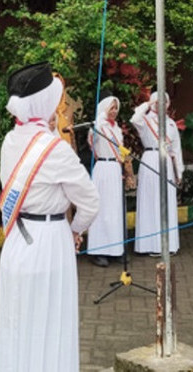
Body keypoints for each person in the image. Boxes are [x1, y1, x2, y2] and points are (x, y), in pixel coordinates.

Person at [0, 62, 99, 372]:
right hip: (50, 243)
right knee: (49, 323)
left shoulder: (10, 140)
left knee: (17, 326)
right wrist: (76, 230)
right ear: (45, 106)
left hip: (16, 241)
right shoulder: (55, 150)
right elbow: (90, 203)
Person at [130, 89, 183, 255]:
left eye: (164, 102)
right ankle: (149, 245)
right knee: (150, 200)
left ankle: (168, 245)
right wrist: (147, 105)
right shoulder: (145, 120)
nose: (162, 105)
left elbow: (176, 150)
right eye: (157, 101)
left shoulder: (171, 124)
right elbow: (134, 118)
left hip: (166, 162)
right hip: (150, 158)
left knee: (166, 201)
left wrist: (178, 172)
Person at [87, 93, 127, 267]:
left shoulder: (116, 128)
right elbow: (92, 139)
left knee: (115, 210)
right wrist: (101, 117)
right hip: (102, 168)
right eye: (111, 107)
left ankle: (116, 249)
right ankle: (99, 250)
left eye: (116, 108)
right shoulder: (98, 125)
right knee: (102, 209)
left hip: (115, 169)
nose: (114, 111)